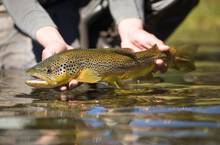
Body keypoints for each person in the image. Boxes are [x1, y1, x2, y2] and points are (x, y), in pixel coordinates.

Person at [2, 0, 199, 90]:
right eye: (50, 71)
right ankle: (100, 44)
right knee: (21, 66)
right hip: (30, 10)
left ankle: (117, 41)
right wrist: (52, 40)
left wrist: (130, 25)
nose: (48, 72)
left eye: (50, 71)